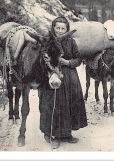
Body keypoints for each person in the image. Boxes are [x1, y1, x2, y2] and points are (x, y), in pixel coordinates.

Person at [39, 16, 88, 149]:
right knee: (54, 104)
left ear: (67, 29)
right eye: (58, 28)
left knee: (70, 103)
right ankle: (54, 135)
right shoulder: (47, 42)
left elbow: (78, 59)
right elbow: (42, 58)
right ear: (53, 28)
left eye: (63, 28)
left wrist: (67, 62)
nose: (60, 31)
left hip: (69, 76)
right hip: (53, 75)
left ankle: (67, 133)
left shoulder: (71, 42)